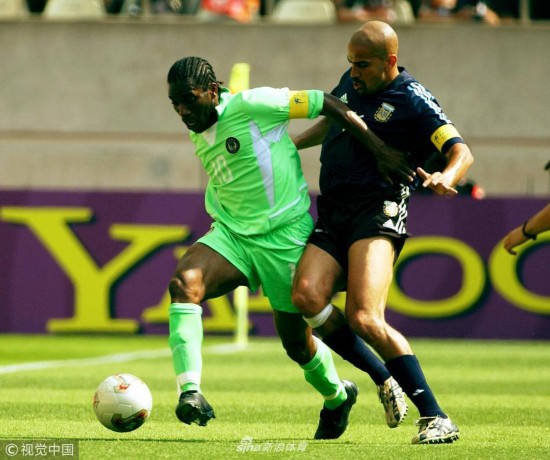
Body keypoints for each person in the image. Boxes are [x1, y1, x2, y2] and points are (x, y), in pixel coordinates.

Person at [166, 56, 413, 439]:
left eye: (189, 100)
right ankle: (190, 391)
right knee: (184, 284)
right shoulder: (199, 123)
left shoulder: (254, 104)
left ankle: (338, 396)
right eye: (175, 104)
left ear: (212, 91)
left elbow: (327, 102)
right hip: (233, 235)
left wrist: (378, 149)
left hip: (283, 238)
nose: (182, 111)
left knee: (298, 346)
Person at [291, 21, 474, 445]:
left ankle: (436, 416)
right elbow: (334, 121)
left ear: (390, 61)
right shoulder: (352, 80)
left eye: (363, 65)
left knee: (364, 317)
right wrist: (291, 144)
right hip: (334, 210)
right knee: (306, 295)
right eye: (350, 63)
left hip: (378, 210)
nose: (354, 72)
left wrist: (447, 176)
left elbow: (461, 151)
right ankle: (383, 377)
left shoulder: (413, 98)